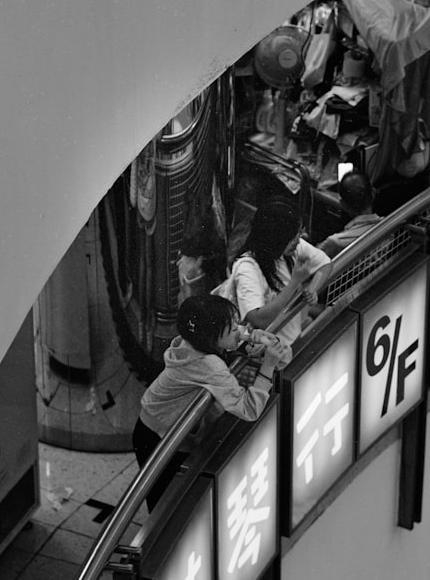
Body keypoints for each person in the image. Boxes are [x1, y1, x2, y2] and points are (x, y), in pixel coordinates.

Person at [133, 294, 289, 510]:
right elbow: (249, 409)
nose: (239, 330)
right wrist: (268, 366)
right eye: (232, 328)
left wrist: (266, 342)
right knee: (164, 504)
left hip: (156, 425)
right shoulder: (209, 365)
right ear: (211, 337)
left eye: (237, 323)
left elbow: (284, 358)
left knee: (173, 498)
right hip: (157, 437)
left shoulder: (194, 343)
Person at [226, 200, 332, 347]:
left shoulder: (291, 249)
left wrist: (312, 289)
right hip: (265, 349)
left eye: (299, 233)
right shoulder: (247, 268)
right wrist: (294, 284)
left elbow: (325, 263)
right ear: (275, 238)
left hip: (291, 339)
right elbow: (258, 319)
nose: (299, 240)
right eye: (293, 237)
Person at [318, 171, 383, 258]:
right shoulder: (391, 226)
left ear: (343, 204)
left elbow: (311, 261)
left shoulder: (336, 242)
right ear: (373, 193)